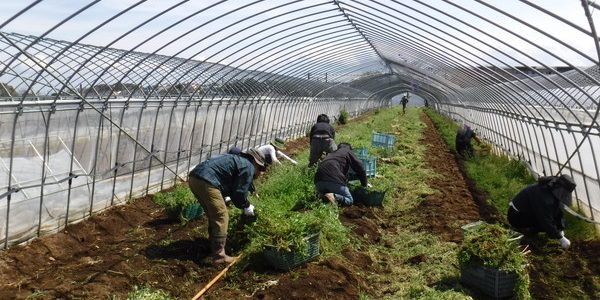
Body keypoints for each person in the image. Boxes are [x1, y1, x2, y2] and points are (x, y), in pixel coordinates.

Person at [188, 148, 266, 264]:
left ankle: (214, 245)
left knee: (213, 215)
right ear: (255, 162)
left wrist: (252, 192)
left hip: (195, 178)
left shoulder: (238, 160)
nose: (260, 172)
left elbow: (238, 182)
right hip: (207, 181)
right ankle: (219, 256)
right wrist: (247, 206)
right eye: (260, 169)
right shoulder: (248, 166)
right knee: (221, 217)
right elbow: (239, 193)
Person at [507, 174, 576, 249]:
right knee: (545, 225)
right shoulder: (543, 195)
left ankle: (531, 228)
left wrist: (560, 227)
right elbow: (545, 220)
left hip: (527, 211)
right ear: (559, 187)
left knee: (552, 223)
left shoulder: (551, 186)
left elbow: (558, 209)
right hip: (516, 216)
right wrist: (560, 238)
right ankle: (526, 230)